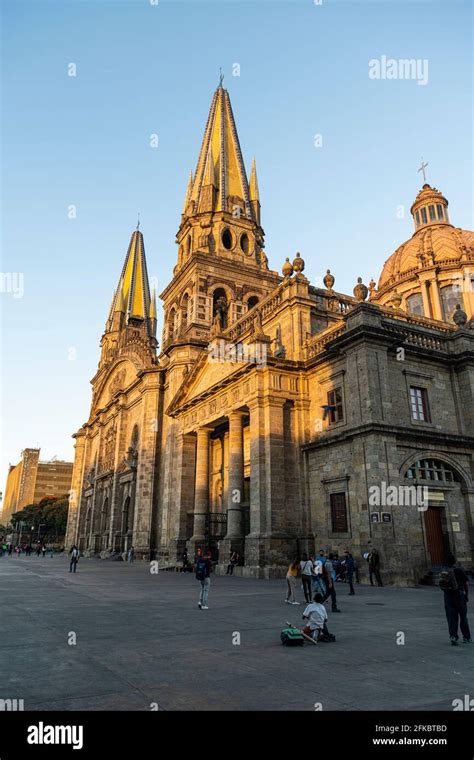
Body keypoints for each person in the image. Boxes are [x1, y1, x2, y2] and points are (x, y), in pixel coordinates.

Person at [441, 554, 471, 646]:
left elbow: (443, 585)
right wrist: (466, 595)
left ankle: (453, 636)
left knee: (451, 618)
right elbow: (466, 584)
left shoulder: (444, 572)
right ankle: (466, 637)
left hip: (448, 596)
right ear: (454, 561)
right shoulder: (459, 570)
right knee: (463, 617)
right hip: (460, 595)